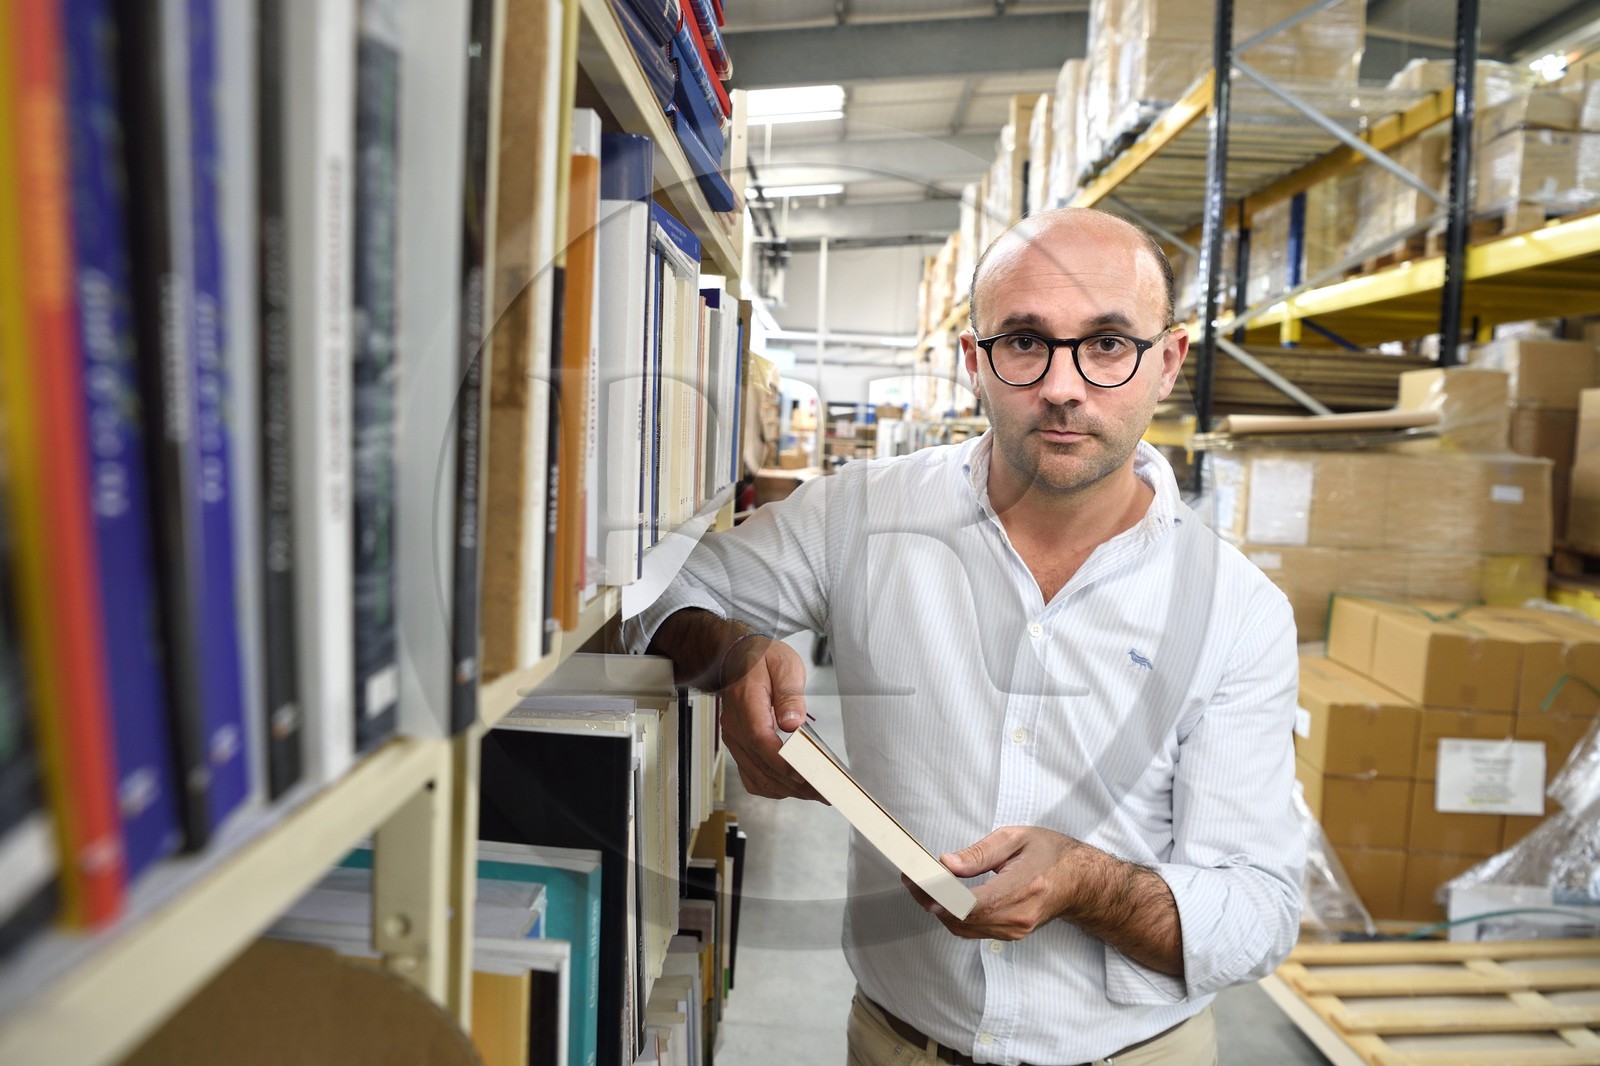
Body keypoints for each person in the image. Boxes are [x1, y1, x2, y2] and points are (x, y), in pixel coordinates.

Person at [624, 207, 1303, 1066]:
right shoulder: (860, 515)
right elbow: (654, 593)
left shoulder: (1238, 611)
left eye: (1106, 344)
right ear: (973, 363)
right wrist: (723, 655)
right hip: (899, 1045)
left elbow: (1258, 913)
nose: (1064, 385)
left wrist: (1087, 885)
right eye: (1024, 341)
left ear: (1166, 361)